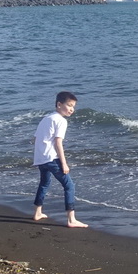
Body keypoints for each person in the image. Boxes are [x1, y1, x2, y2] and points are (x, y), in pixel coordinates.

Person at [32, 91, 87, 228]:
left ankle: (38, 212)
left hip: (41, 158)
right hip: (51, 158)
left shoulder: (46, 118)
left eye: (73, 106)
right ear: (59, 104)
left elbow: (36, 138)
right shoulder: (61, 120)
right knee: (69, 185)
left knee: (44, 183)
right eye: (69, 105)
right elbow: (58, 143)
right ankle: (71, 219)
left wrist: (40, 156)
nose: (71, 109)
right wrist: (64, 163)